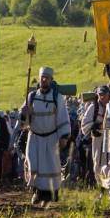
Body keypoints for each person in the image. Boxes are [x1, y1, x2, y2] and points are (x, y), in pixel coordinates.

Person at [20, 66, 71, 206]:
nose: (44, 80)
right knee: (33, 165)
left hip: (51, 138)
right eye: (42, 77)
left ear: (51, 80)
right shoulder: (31, 96)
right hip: (35, 138)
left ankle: (51, 194)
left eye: (46, 78)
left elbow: (63, 117)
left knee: (51, 167)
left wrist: (64, 136)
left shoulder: (57, 98)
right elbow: (23, 122)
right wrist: (24, 113)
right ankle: (36, 192)